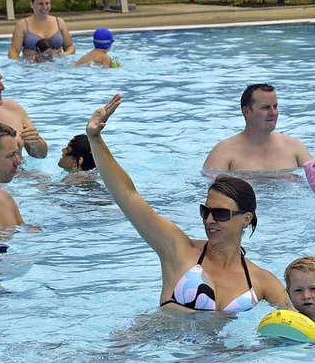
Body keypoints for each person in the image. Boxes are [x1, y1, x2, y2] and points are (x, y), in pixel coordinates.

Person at [86, 94, 293, 311]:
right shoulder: (177, 249)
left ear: (246, 219)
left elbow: (300, 324)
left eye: (221, 213)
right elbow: (128, 196)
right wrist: (95, 139)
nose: (210, 220)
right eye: (206, 212)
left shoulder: (262, 281)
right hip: (157, 341)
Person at [203, 84, 312, 172]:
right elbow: (209, 194)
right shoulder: (224, 152)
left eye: (275, 106)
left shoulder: (294, 147)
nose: (273, 112)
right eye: (265, 107)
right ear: (246, 112)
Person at [8, 0, 75, 61]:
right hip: (31, 67)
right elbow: (13, 51)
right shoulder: (22, 25)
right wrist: (19, 65)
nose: (44, 7)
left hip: (56, 66)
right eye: (41, 4)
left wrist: (65, 54)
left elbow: (70, 47)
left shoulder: (59, 22)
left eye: (47, 3)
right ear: (31, 4)